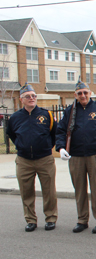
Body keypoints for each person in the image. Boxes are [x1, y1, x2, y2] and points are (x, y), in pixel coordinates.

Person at [55, 80, 96, 234]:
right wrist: (61, 148)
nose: (83, 95)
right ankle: (82, 220)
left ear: (90, 93)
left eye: (85, 92)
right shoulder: (70, 111)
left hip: (95, 155)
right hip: (75, 156)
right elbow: (61, 130)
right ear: (75, 95)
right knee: (80, 190)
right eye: (80, 93)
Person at [7, 83, 58, 232]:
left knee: (49, 191)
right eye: (28, 96)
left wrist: (47, 146)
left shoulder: (46, 115)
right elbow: (11, 134)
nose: (31, 98)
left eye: (34, 96)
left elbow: (55, 133)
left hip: (44, 159)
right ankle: (30, 220)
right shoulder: (15, 117)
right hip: (24, 161)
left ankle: (50, 218)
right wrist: (20, 145)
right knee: (26, 192)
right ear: (21, 99)